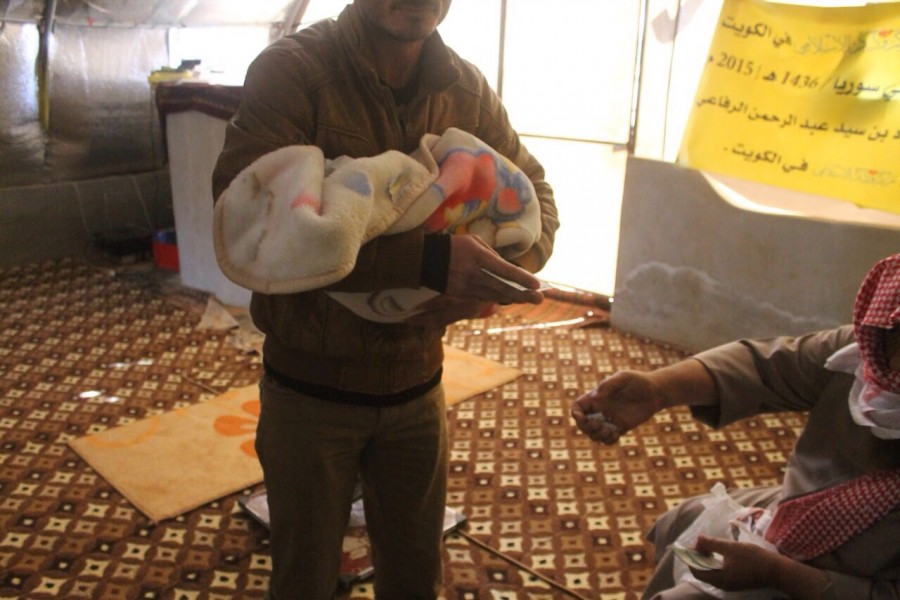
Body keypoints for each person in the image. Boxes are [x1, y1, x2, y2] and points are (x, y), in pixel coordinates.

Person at [211, 1, 559, 598]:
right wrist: (431, 263)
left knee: (415, 574)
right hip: (311, 395)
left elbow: (538, 198)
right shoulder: (293, 73)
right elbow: (257, 230)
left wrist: (494, 276)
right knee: (304, 580)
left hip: (418, 389)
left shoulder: (466, 89)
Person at [572, 254, 900, 600]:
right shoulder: (865, 351)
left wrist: (777, 574)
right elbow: (768, 366)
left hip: (846, 580)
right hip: (803, 503)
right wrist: (659, 389)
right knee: (689, 517)